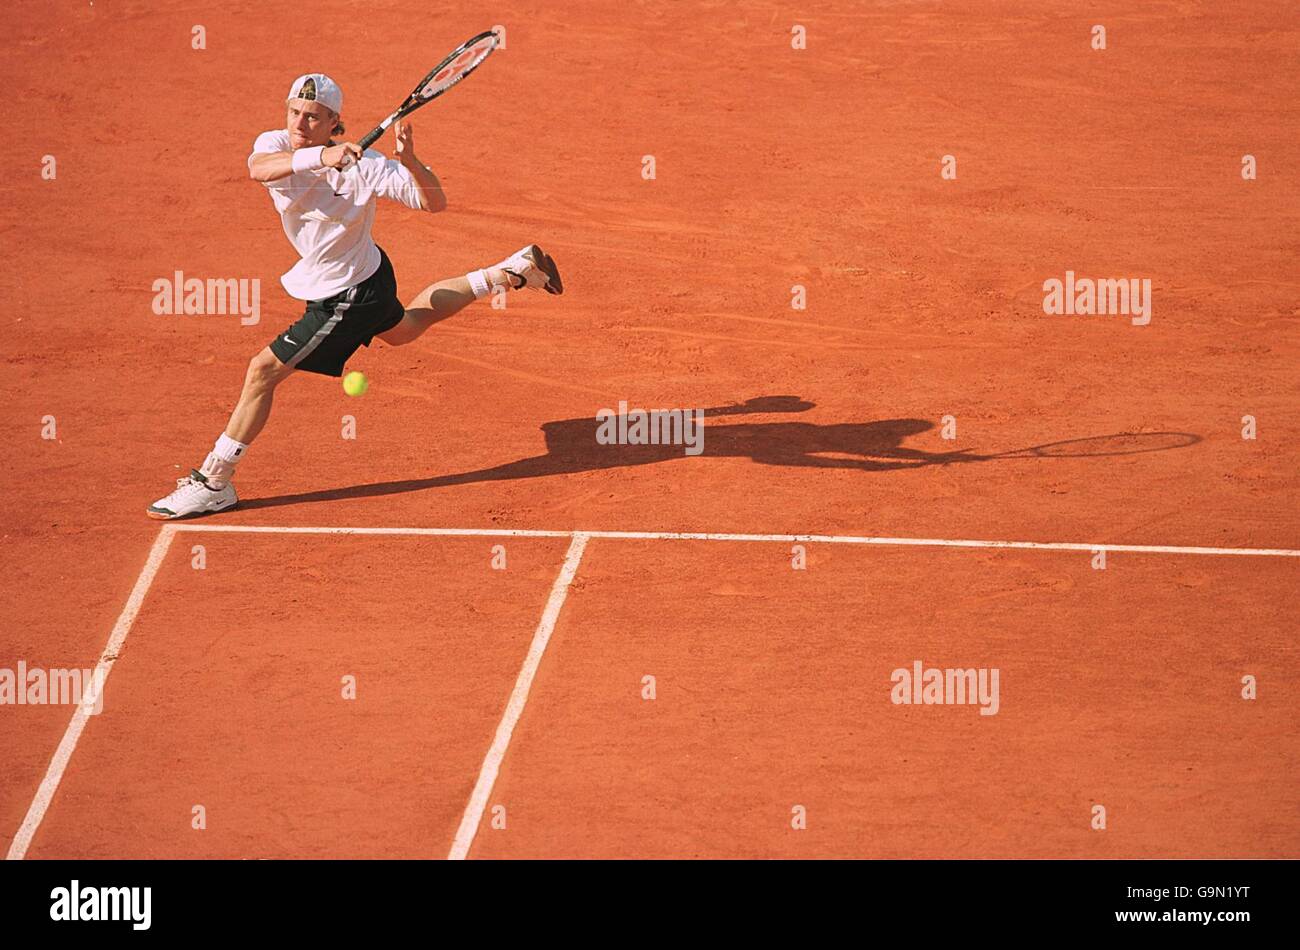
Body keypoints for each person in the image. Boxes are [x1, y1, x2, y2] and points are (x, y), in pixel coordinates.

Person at [148, 72, 562, 519]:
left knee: (262, 372)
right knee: (406, 328)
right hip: (354, 274)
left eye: (313, 117)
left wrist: (412, 160)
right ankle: (511, 271)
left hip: (351, 290)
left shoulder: (369, 166)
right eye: (294, 112)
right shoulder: (275, 145)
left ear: (334, 121)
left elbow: (433, 202)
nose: (300, 124)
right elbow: (258, 170)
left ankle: (214, 482)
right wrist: (324, 157)